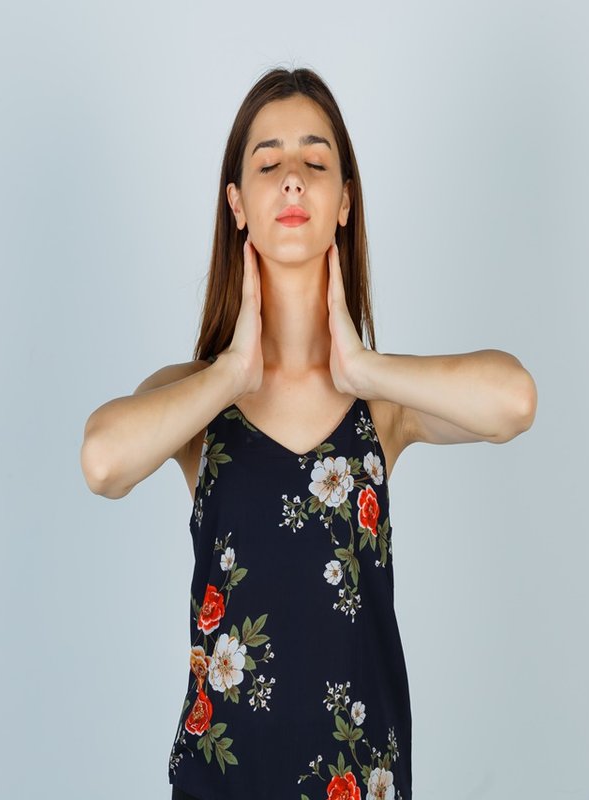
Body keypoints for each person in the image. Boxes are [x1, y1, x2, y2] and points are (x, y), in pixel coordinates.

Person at [80, 66, 538, 800]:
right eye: (268, 162)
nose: (292, 179)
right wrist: (231, 375)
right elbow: (102, 461)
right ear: (237, 204)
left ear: (344, 199)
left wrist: (363, 366)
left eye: (315, 161)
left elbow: (514, 401)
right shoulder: (194, 401)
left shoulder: (384, 406)